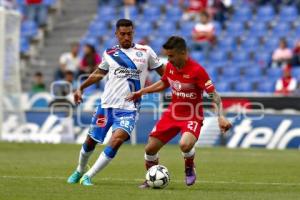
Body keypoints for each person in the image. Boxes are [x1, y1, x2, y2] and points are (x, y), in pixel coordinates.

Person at [67, 19, 165, 186]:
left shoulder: (146, 51)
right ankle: (79, 170)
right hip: (106, 106)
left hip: (129, 108)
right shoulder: (110, 53)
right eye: (123, 34)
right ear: (116, 35)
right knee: (90, 141)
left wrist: (173, 84)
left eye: (129, 34)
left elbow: (165, 75)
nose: (126, 37)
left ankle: (88, 176)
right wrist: (81, 88)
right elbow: (99, 73)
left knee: (117, 139)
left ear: (133, 33)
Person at [126, 36, 232, 188]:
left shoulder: (197, 71)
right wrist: (142, 92)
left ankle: (189, 167)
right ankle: (151, 179)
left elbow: (214, 95)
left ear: (183, 53)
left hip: (192, 115)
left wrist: (220, 116)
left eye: (171, 56)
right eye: (167, 56)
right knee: (150, 149)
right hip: (173, 113)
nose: (168, 60)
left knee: (185, 144)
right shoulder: (169, 67)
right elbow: (163, 83)